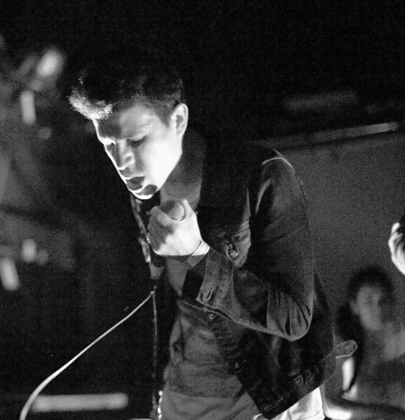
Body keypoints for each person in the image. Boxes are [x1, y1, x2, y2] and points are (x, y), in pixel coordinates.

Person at [68, 44, 345, 420]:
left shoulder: (263, 175)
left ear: (178, 121)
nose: (122, 162)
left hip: (265, 401)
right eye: (108, 145)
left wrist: (197, 255)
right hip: (184, 397)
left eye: (136, 140)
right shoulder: (144, 192)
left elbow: (295, 318)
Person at [322, 265, 405, 420]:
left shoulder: (401, 339)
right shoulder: (343, 345)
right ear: (355, 306)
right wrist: (389, 413)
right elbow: (328, 404)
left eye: (384, 300)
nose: (378, 308)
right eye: (368, 301)